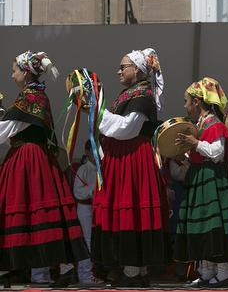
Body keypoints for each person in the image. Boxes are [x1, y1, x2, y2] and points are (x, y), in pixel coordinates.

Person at [0, 51, 88, 288]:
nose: (12, 75)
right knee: (31, 210)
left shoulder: (31, 98)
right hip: (28, 156)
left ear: (26, 72)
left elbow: (5, 130)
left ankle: (44, 270)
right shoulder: (33, 96)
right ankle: (24, 268)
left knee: (33, 208)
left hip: (29, 159)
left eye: (15, 70)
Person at [91, 48, 169, 287]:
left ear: (137, 69)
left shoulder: (142, 96)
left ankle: (134, 271)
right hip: (123, 157)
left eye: (123, 66)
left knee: (132, 209)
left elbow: (127, 129)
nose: (119, 71)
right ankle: (132, 269)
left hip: (133, 157)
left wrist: (97, 110)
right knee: (126, 209)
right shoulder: (129, 94)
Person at [174, 77, 228, 288]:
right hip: (199, 176)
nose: (185, 105)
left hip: (211, 176)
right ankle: (207, 272)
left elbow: (217, 154)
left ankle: (224, 272)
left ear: (198, 101)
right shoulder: (197, 124)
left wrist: (195, 143)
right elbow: (199, 152)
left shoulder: (215, 124)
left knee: (214, 225)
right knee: (202, 224)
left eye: (187, 101)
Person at [72, 140, 103, 285]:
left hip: (97, 209)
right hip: (85, 208)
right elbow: (77, 192)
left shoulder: (100, 168)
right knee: (87, 240)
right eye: (93, 151)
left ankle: (93, 272)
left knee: (96, 241)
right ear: (87, 152)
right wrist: (93, 191)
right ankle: (85, 274)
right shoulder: (83, 169)